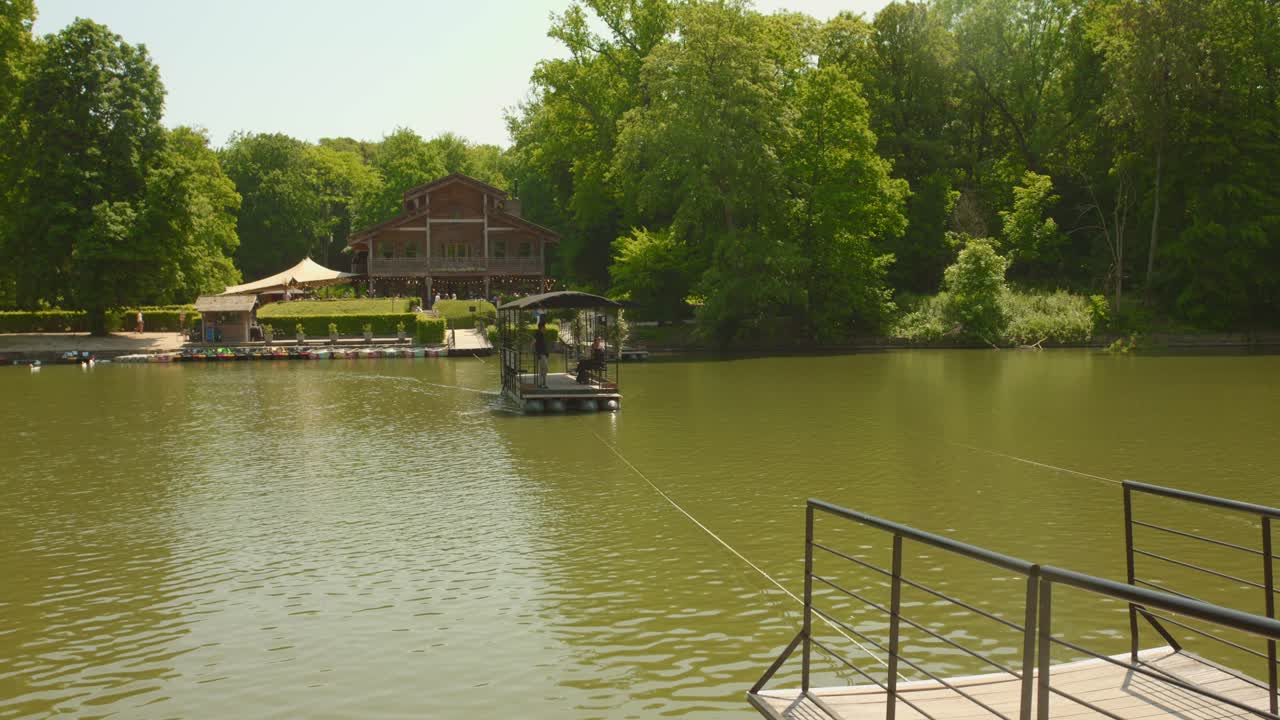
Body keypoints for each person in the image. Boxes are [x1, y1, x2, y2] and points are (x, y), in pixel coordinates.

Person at [533, 318, 549, 388]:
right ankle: (542, 384)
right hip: (541, 354)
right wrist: (538, 353)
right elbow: (534, 342)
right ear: (542, 327)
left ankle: (543, 383)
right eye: (545, 327)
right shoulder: (538, 334)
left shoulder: (541, 334)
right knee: (544, 368)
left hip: (543, 354)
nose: (546, 328)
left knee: (543, 369)